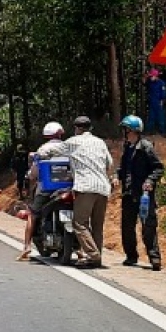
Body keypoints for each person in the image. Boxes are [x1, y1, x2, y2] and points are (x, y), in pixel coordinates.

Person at [35, 115, 114, 269]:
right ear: (90, 128)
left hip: (85, 187)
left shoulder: (73, 142)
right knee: (97, 225)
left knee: (79, 223)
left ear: (77, 128)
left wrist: (37, 155)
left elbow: (51, 150)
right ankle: (96, 260)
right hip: (103, 187)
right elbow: (109, 164)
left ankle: (93, 255)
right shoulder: (100, 142)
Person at [117, 114, 165, 270]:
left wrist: (150, 181)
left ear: (134, 131)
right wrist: (117, 177)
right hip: (129, 194)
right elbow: (124, 169)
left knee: (148, 226)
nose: (125, 133)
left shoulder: (145, 147)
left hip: (144, 195)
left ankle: (154, 258)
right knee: (127, 227)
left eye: (127, 129)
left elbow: (158, 168)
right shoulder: (127, 148)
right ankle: (131, 256)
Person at [17, 122, 66, 261]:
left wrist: (29, 175)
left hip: (46, 189)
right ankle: (80, 249)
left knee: (32, 214)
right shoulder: (68, 147)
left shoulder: (43, 150)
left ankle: (26, 246)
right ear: (60, 134)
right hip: (68, 188)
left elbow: (34, 172)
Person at [146, 69, 166, 135]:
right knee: (151, 117)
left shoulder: (161, 83)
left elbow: (163, 93)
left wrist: (162, 101)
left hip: (159, 102)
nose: (150, 78)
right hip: (152, 102)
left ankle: (163, 131)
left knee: (161, 117)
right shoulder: (150, 82)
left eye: (152, 76)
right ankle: (149, 131)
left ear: (156, 76)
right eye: (150, 77)